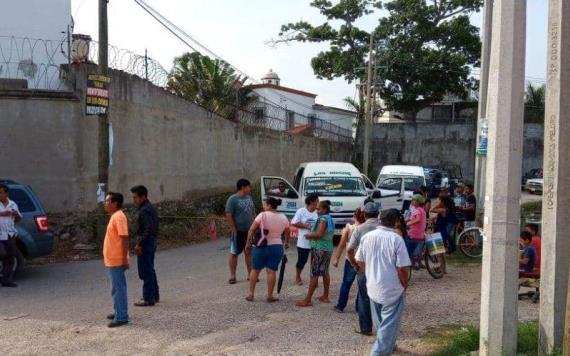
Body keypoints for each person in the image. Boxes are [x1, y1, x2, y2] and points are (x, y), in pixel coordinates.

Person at [355, 209, 411, 356]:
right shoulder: (396, 239)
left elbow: (359, 260)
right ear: (396, 222)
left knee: (381, 321)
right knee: (389, 324)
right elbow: (402, 268)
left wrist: (371, 272)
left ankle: (389, 346)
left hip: (373, 286)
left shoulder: (367, 237)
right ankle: (378, 352)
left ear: (379, 220)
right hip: (392, 287)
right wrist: (404, 284)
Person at [245, 197, 290, 302]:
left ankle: (251, 294)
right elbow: (288, 231)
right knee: (271, 271)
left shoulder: (262, 215)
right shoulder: (283, 217)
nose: (263, 206)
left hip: (261, 246)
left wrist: (248, 243)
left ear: (269, 205)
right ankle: (270, 295)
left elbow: (251, 230)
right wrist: (286, 242)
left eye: (265, 204)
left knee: (255, 270)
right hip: (277, 246)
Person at [346, 202, 381, 336]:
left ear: (364, 214)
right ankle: (382, 328)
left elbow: (349, 250)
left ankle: (366, 328)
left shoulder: (359, 229)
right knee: (380, 298)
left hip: (363, 268)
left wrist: (354, 264)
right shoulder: (383, 228)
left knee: (364, 298)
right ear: (378, 213)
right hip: (380, 269)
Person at [296, 200, 335, 307]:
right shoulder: (329, 218)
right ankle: (325, 296)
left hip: (320, 249)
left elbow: (319, 234)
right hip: (328, 248)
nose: (317, 211)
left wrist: (309, 236)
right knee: (325, 272)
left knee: (315, 273)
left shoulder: (323, 219)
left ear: (325, 209)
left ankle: (308, 299)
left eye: (319, 209)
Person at [103, 192, 130, 328]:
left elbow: (124, 237)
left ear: (115, 203)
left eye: (107, 201)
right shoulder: (115, 216)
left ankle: (122, 316)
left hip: (117, 259)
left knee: (119, 288)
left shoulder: (119, 217)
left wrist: (125, 258)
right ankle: (118, 311)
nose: (105, 203)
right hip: (112, 259)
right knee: (116, 288)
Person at [332, 207, 366, 313]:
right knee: (362, 285)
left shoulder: (349, 228)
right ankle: (358, 307)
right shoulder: (367, 228)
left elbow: (341, 245)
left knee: (346, 283)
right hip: (363, 260)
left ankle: (340, 306)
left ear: (354, 216)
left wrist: (336, 258)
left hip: (350, 259)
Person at [131, 185, 160, 307]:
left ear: (143, 196)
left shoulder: (144, 210)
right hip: (150, 241)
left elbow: (148, 229)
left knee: (145, 270)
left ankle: (148, 298)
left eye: (135, 197)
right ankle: (154, 295)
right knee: (150, 268)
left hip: (146, 243)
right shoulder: (149, 207)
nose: (134, 200)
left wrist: (139, 244)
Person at [226, 179, 256, 284]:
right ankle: (233, 276)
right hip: (238, 231)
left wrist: (255, 225)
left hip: (249, 231)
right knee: (234, 253)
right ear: (243, 187)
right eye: (248, 186)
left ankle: (250, 275)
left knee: (248, 252)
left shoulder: (249, 198)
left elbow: (253, 212)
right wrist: (234, 230)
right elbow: (228, 215)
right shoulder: (232, 199)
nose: (250, 188)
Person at [291, 194, 319, 286]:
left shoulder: (318, 212)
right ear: (311, 202)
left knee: (315, 261)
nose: (318, 203)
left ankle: (314, 278)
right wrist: (305, 226)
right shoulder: (301, 211)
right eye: (317, 201)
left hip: (316, 241)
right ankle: (298, 276)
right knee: (302, 261)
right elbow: (294, 223)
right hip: (303, 241)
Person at [0, 184, 22, 287]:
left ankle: (6, 280)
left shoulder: (13, 204)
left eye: (0, 193)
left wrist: (15, 214)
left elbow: (19, 218)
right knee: (2, 253)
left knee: (10, 257)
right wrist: (2, 214)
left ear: (6, 193)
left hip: (10, 234)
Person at [431, 188, 457, 254]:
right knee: (443, 235)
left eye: (440, 201)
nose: (439, 202)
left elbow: (433, 210)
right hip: (445, 221)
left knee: (446, 234)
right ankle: (444, 248)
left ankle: (452, 247)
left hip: (450, 221)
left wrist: (438, 207)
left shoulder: (446, 207)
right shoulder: (445, 203)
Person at [406, 194, 427, 268]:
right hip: (420, 234)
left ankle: (409, 262)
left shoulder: (417, 210)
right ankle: (414, 261)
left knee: (406, 248)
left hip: (414, 234)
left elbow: (418, 219)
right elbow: (413, 218)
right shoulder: (422, 210)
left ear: (418, 202)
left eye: (413, 200)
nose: (411, 201)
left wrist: (408, 224)